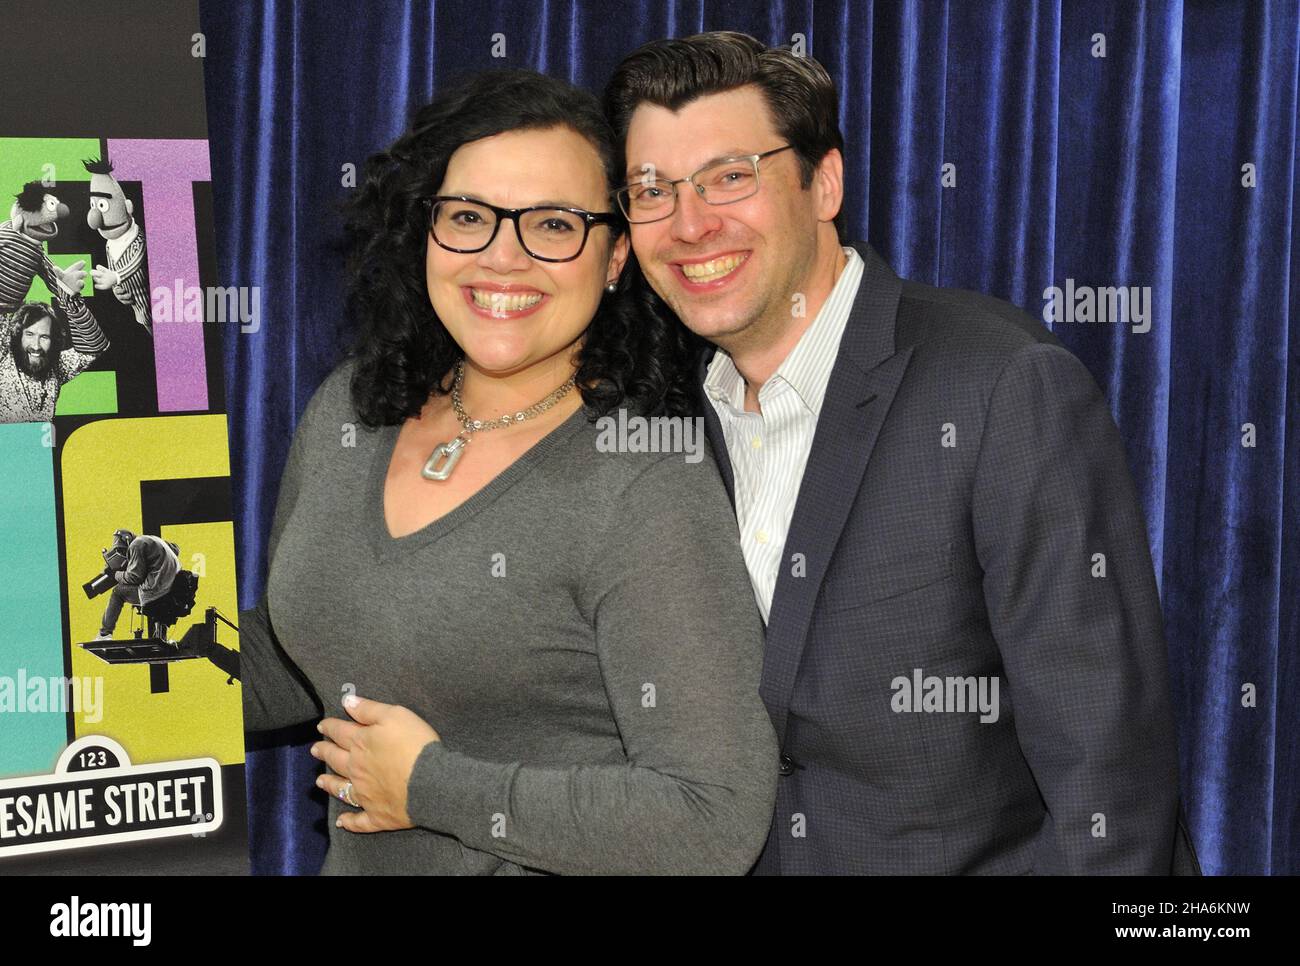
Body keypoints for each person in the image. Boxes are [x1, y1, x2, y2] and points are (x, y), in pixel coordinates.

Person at [604, 31, 1201, 875]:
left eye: (730, 176)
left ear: (825, 183)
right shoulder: (659, 428)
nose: (691, 223)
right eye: (651, 191)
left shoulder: (1000, 385)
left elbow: (1108, 774)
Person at [237, 69, 778, 875]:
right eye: (468, 218)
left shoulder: (643, 484)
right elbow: (305, 654)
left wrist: (429, 787)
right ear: (424, 231)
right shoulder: (349, 411)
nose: (503, 259)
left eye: (553, 226)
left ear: (615, 256)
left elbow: (713, 818)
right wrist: (65, 671)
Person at [93, 529, 181, 641]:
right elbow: (175, 548)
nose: (125, 554)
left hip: (157, 590)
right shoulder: (151, 540)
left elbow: (134, 577)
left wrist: (114, 574)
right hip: (171, 590)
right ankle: (161, 638)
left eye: (123, 550)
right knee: (154, 595)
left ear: (128, 541)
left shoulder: (135, 545)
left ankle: (104, 634)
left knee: (118, 592)